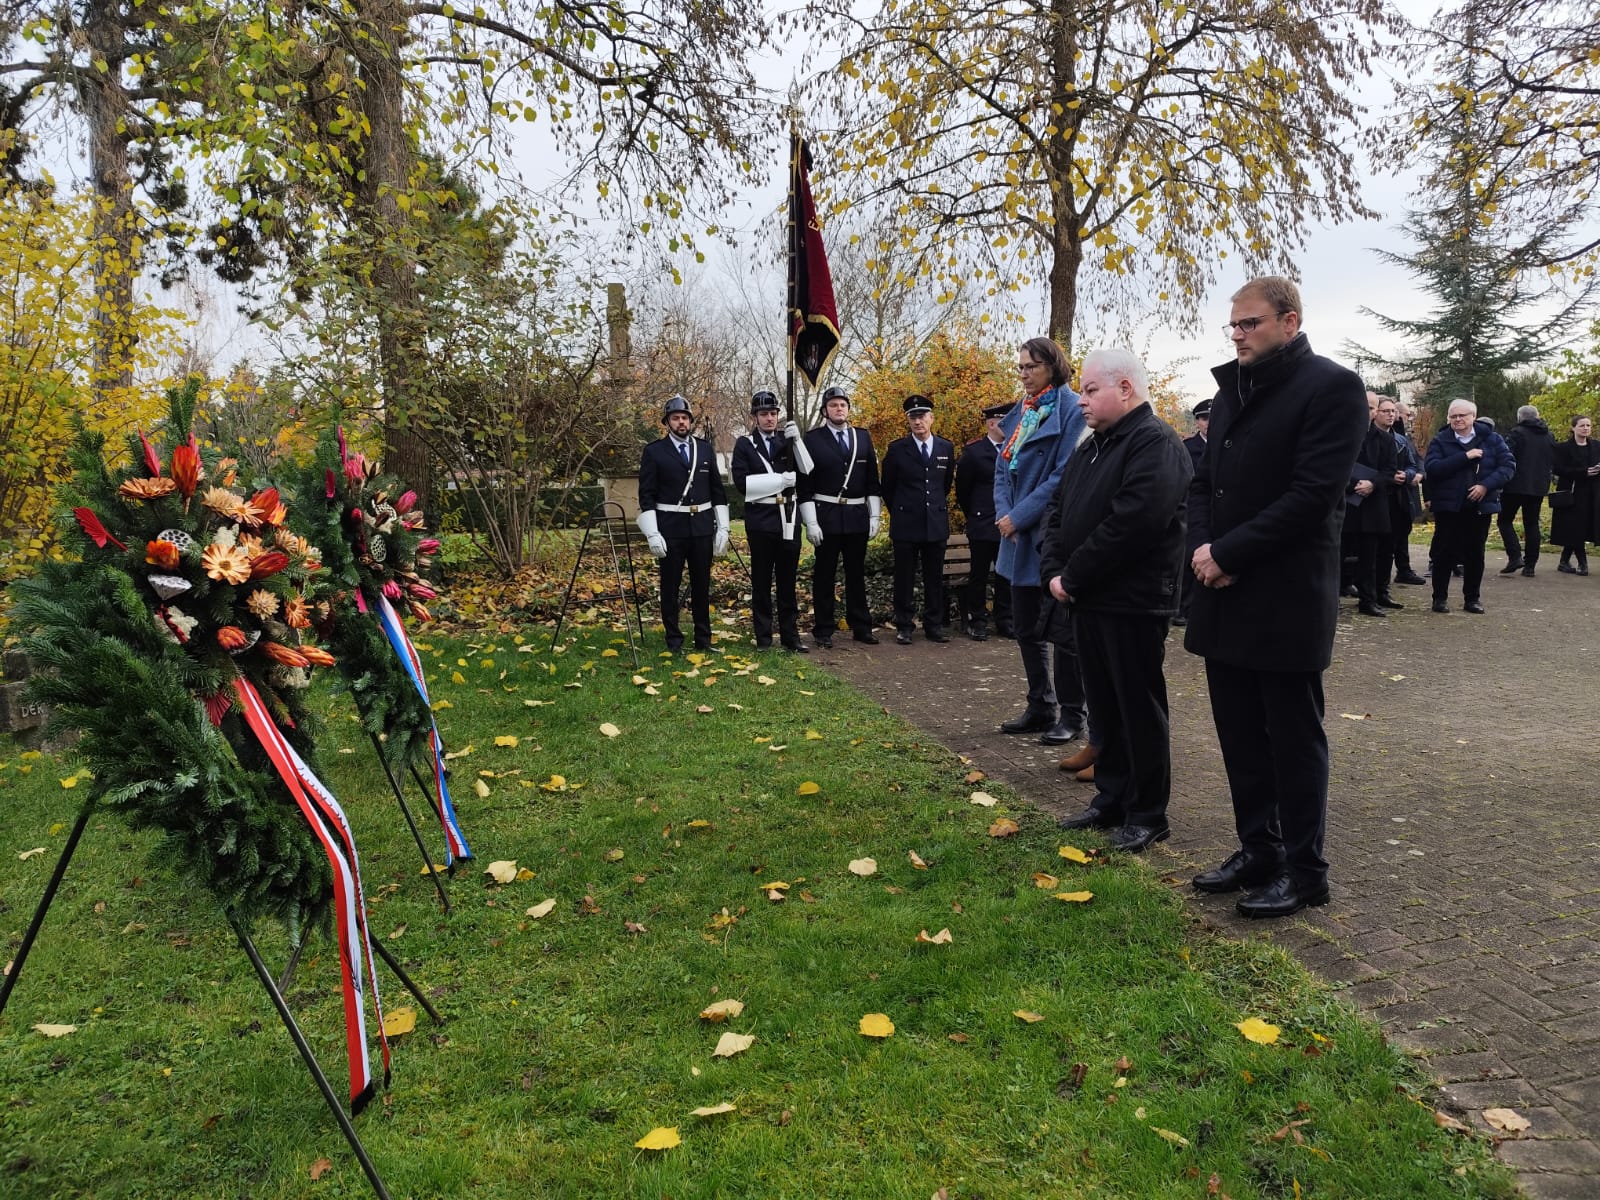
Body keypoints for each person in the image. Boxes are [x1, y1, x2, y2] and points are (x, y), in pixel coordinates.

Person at [1186, 275, 1366, 919]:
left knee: (1291, 738)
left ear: (1290, 322)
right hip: (1223, 593)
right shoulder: (1231, 389)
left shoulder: (1333, 388)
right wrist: (1205, 551)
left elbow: (1313, 496)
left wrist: (1228, 554)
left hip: (1284, 597)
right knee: (1238, 732)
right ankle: (1259, 850)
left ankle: (1306, 869)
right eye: (1232, 325)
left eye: (1249, 323)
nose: (1237, 335)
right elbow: (1202, 486)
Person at [1041, 349, 1192, 852]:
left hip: (1132, 602)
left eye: (1089, 391)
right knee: (1104, 706)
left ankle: (1147, 811)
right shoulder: (1092, 446)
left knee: (1137, 708)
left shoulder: (1155, 444)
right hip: (1088, 599)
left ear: (1125, 388)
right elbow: (1060, 511)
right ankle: (1111, 797)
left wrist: (1073, 575)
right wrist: (1053, 571)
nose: (1080, 401)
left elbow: (1134, 524)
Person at [994, 337, 1086, 746]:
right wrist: (1003, 515)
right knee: (1026, 628)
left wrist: (1020, 516)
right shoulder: (1023, 409)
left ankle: (1072, 713)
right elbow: (1002, 464)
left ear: (1053, 365)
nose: (1024, 374)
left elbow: (1063, 474)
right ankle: (1039, 704)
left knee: (1062, 634)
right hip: (1014, 537)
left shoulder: (1070, 409)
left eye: (1031, 366)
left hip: (1047, 535)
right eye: (1020, 367)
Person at [636, 395, 729, 652]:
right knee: (670, 586)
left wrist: (723, 527)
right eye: (676, 418)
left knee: (702, 586)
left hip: (700, 527)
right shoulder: (654, 451)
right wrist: (652, 533)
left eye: (685, 418)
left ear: (690, 421)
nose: (681, 422)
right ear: (667, 422)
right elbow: (647, 496)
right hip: (670, 528)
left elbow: (717, 491)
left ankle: (703, 639)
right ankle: (674, 639)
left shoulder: (705, 449)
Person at [731, 389, 816, 652]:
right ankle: (764, 638)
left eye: (773, 413)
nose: (769, 418)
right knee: (762, 581)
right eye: (764, 414)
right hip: (762, 518)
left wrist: (798, 441)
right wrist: (780, 481)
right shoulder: (745, 444)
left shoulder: (787, 440)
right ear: (754, 417)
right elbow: (743, 484)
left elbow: (808, 470)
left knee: (788, 581)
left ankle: (791, 637)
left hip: (788, 518)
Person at [798, 385, 882, 648]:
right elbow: (805, 485)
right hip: (827, 516)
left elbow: (872, 481)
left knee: (856, 574)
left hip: (856, 515)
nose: (839, 409)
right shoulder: (812, 439)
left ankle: (861, 626)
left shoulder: (862, 437)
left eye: (843, 404)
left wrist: (875, 516)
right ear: (825, 410)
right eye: (833, 405)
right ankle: (823, 629)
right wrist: (810, 522)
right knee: (824, 575)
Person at [1423, 399, 1515, 614]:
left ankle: (1472, 599)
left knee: (1475, 553)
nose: (1457, 420)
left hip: (1480, 505)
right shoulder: (1441, 440)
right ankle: (1439, 599)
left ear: (1473, 416)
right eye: (1453, 416)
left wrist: (1485, 486)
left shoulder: (1492, 439)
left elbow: (1508, 466)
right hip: (1449, 506)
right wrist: (1464, 456)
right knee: (1444, 553)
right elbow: (1433, 468)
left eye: (1462, 416)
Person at [879, 394, 956, 644]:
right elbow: (887, 487)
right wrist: (902, 510)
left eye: (922, 416)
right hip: (906, 524)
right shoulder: (897, 449)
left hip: (935, 523)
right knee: (904, 578)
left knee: (934, 578)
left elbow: (944, 485)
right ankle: (904, 625)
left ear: (931, 418)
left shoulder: (946, 448)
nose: (917, 421)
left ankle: (934, 625)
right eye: (913, 417)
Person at [954, 402, 1014, 640]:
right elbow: (963, 491)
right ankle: (977, 620)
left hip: (1008, 522)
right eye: (1003, 422)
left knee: (1004, 575)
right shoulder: (974, 452)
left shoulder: (1014, 448)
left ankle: (1005, 620)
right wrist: (975, 513)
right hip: (982, 523)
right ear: (991, 424)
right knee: (979, 575)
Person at [1347, 394, 1402, 617]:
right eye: (1365, 407)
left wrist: (1372, 483)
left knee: (1370, 556)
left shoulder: (1386, 440)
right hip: (1345, 503)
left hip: (1372, 504)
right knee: (1338, 554)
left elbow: (1390, 470)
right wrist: (1352, 485)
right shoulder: (1342, 435)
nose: (1368, 411)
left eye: (1372, 408)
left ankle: (1368, 600)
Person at [1498, 404, 1557, 576]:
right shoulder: (1549, 435)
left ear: (1520, 417)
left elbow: (1507, 456)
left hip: (1514, 486)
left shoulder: (1516, 433)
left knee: (1504, 520)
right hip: (1538, 486)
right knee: (1532, 524)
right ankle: (1530, 566)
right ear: (1537, 416)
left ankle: (1515, 555)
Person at [1174, 398, 1211, 627]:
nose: (1208, 423)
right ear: (1197, 421)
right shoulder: (1188, 447)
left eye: (1211, 418)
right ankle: (1183, 608)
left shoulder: (1224, 444)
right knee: (1188, 559)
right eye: (1204, 418)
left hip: (1215, 509)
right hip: (1190, 507)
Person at [1551, 415, 1600, 575]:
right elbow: (1558, 468)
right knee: (1575, 527)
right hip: (1571, 492)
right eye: (1582, 425)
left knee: (1580, 527)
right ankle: (1582, 563)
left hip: (1592, 492)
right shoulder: (1563, 448)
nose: (1586, 428)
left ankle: (1564, 561)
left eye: (1588, 425)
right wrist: (1583, 472)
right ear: (1573, 428)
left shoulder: (1596, 446)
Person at [1389, 401, 1427, 586]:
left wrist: (1418, 473)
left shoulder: (1405, 438)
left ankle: (1403, 569)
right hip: (1392, 490)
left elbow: (1418, 460)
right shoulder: (1388, 436)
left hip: (1407, 491)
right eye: (1406, 414)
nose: (1408, 418)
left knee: (1404, 531)